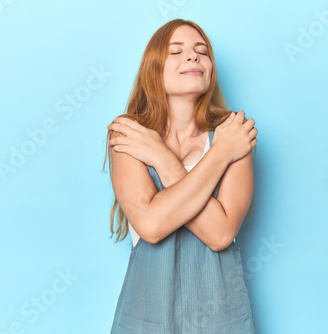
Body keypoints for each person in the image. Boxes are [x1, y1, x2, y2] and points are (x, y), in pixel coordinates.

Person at [103, 18, 258, 333]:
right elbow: (152, 225)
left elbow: (220, 234)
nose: (193, 56)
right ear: (154, 69)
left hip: (222, 318)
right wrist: (221, 155)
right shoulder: (127, 133)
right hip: (148, 317)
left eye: (201, 51)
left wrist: (160, 156)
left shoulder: (234, 133)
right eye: (177, 51)